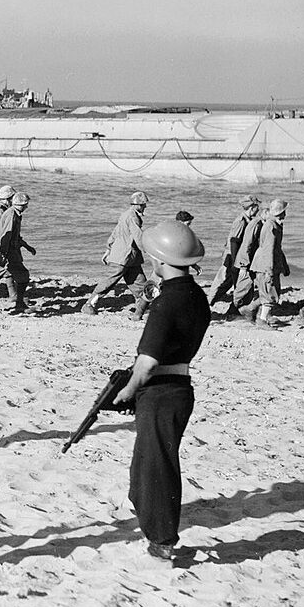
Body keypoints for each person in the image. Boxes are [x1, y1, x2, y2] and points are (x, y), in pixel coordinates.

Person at [111, 219, 211, 564]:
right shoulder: (196, 296)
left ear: (160, 260)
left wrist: (128, 390)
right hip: (180, 387)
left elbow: (148, 362)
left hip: (160, 392)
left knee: (156, 469)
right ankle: (150, 519)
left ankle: (162, 542)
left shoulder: (167, 302)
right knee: (148, 464)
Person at [83, 191, 149, 318]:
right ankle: (89, 304)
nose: (145, 206)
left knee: (140, 283)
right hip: (123, 257)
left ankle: (142, 307)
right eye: (143, 204)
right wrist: (150, 251)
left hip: (131, 257)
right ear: (137, 205)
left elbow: (115, 232)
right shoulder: (132, 217)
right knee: (109, 282)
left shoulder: (125, 215)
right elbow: (138, 237)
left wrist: (108, 249)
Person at [241, 199, 290, 329]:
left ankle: (250, 309)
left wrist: (284, 266)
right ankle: (261, 320)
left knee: (269, 292)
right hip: (265, 264)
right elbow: (269, 250)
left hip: (267, 263)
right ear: (280, 213)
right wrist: (269, 270)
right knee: (270, 293)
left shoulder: (274, 225)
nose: (285, 215)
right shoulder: (271, 227)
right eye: (284, 212)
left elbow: (277, 248)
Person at [209, 196, 260, 307]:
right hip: (232, 256)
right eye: (257, 206)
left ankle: (213, 301)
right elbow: (234, 241)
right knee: (223, 281)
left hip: (235, 256)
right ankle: (209, 301)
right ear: (251, 207)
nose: (259, 209)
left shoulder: (247, 220)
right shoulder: (241, 221)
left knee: (229, 281)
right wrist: (234, 262)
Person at [0, 192, 36, 314]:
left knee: (23, 276)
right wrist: (3, 254)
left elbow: (16, 236)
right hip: (6, 252)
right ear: (19, 204)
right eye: (25, 204)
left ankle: (19, 303)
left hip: (11, 251)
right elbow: (6, 236)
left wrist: (27, 247)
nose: (27, 207)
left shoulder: (16, 214)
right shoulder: (11, 215)